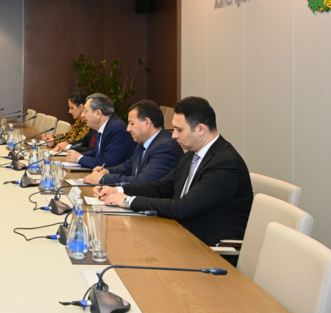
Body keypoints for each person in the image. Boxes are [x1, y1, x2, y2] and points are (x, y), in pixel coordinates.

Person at [95, 97, 253, 246]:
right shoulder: (192, 155)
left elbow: (182, 208)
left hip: (207, 248)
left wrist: (128, 201)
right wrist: (118, 191)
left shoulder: (225, 163)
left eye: (179, 129)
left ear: (200, 129)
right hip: (181, 235)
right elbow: (160, 187)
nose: (174, 135)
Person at [82, 100, 181, 186]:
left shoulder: (164, 147)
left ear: (147, 123)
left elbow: (143, 182)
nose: (128, 129)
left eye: (132, 123)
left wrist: (103, 179)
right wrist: (107, 171)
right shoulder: (143, 141)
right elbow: (130, 165)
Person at [65, 93, 134, 169]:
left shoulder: (116, 129)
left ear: (98, 113)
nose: (82, 115)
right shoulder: (103, 126)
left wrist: (79, 158)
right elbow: (97, 153)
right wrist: (76, 155)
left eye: (85, 111)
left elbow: (108, 163)